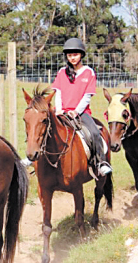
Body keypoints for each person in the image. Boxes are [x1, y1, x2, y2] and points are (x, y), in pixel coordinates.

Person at [51, 38, 112, 177]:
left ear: (81, 55)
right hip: (61, 111)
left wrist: (76, 111)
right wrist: (59, 109)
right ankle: (34, 158)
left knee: (95, 133)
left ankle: (101, 162)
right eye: (70, 55)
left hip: (81, 113)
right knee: (42, 126)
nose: (72, 58)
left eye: (75, 54)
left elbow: (87, 96)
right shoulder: (62, 72)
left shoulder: (88, 72)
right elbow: (58, 92)